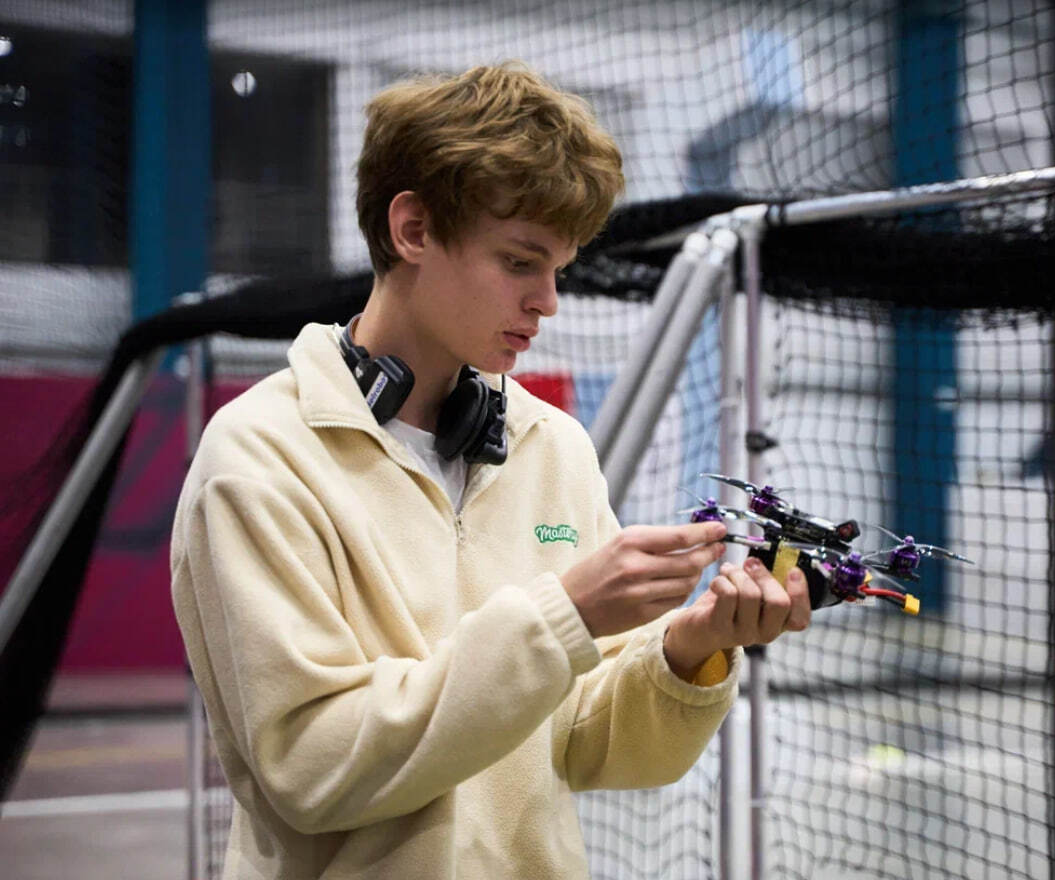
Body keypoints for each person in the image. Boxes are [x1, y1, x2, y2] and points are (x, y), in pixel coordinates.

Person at [171, 63, 812, 879]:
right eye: (519, 262)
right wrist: (565, 616)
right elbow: (312, 767)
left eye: (559, 269)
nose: (549, 300)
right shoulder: (260, 458)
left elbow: (588, 743)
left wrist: (691, 649)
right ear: (412, 230)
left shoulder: (552, 447)